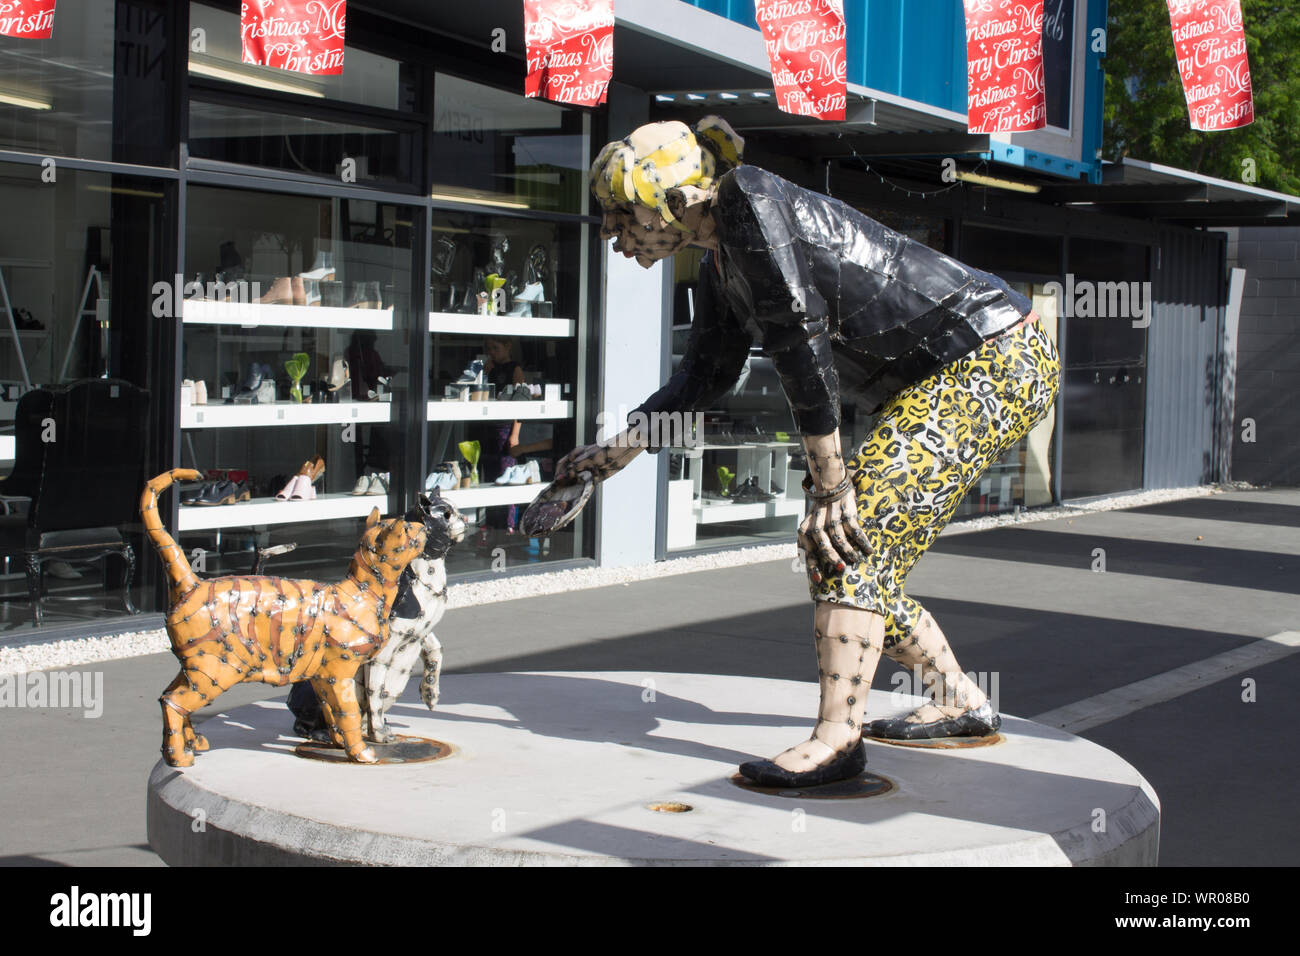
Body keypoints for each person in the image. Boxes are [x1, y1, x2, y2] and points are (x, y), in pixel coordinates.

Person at [554, 117, 1060, 788]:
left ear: (669, 203)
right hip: (972, 366)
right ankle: (957, 700)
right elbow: (703, 379)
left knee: (843, 542)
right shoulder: (720, 262)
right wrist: (613, 453)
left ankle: (837, 740)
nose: (616, 241)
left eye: (622, 220)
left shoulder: (749, 200)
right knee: (860, 554)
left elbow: (799, 336)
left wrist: (830, 487)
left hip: (994, 360)